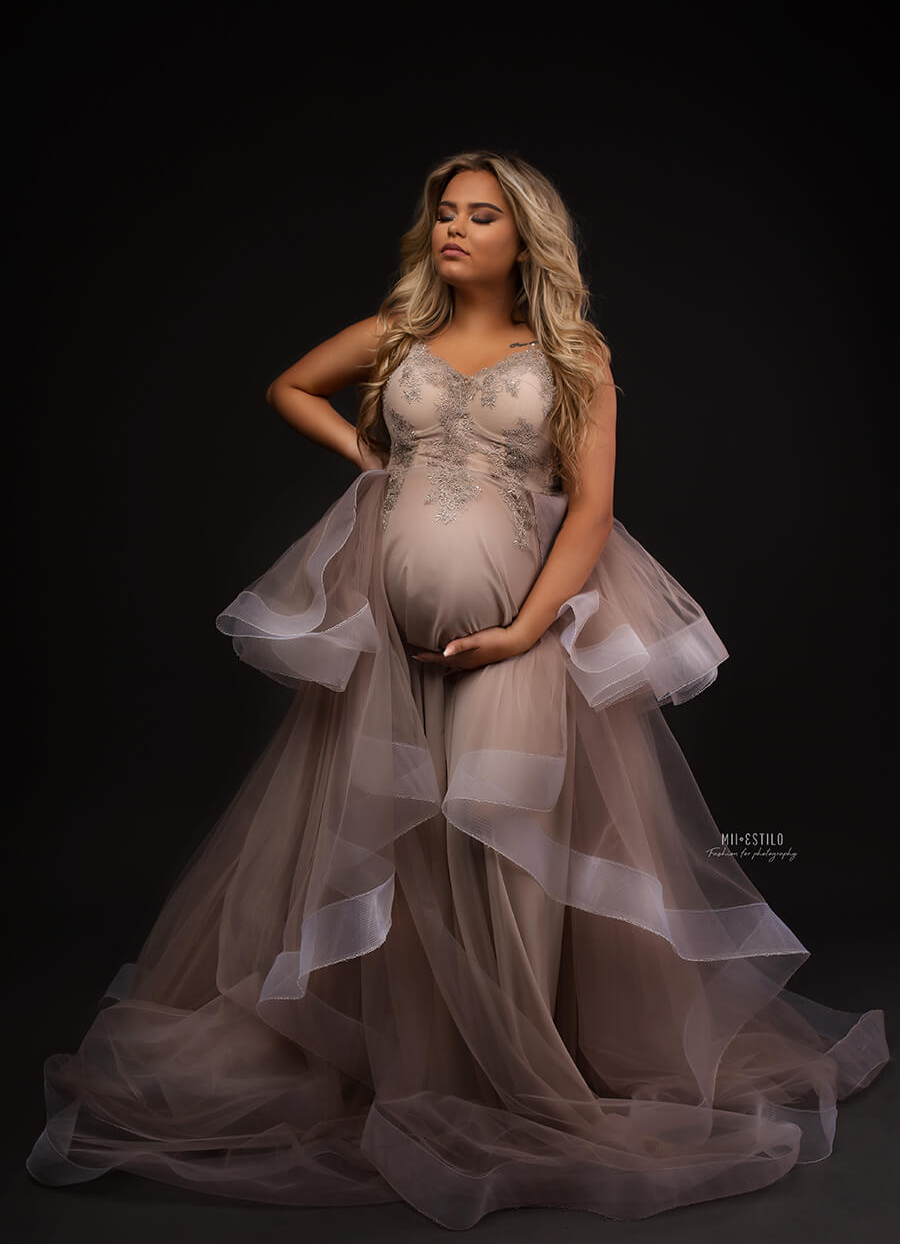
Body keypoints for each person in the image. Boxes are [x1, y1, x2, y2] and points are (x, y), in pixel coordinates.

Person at [26, 150, 890, 1227]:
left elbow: (587, 511)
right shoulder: (399, 340)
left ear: (524, 238)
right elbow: (292, 382)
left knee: (501, 834)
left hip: (517, 638)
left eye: (481, 216)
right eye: (445, 213)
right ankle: (418, 1072)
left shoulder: (570, 353)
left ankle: (515, 1075)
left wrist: (526, 628)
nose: (456, 230)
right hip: (387, 646)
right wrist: (368, 457)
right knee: (404, 845)